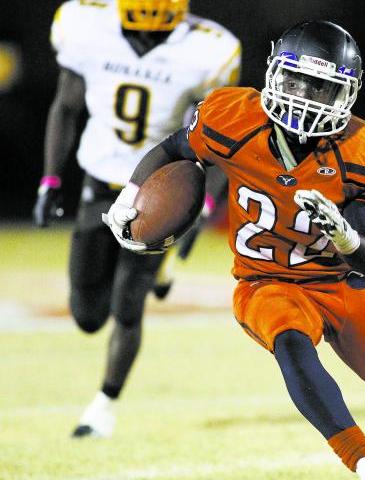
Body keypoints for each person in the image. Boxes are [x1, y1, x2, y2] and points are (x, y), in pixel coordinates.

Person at [104, 20, 365, 480]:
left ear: (346, 96)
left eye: (320, 88)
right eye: (294, 81)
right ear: (273, 74)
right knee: (290, 339)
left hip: (339, 282)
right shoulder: (231, 116)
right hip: (264, 280)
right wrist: (129, 195)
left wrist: (344, 236)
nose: (303, 97)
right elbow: (175, 149)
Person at [32, 0, 240, 438]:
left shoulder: (207, 47)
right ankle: (155, 273)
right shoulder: (87, 25)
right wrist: (50, 179)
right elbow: (66, 106)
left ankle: (102, 407)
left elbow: (215, 141)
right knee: (88, 315)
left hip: (157, 190)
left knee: (129, 303)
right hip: (99, 183)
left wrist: (199, 212)